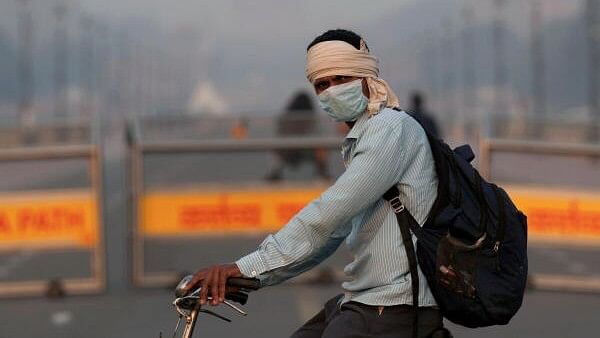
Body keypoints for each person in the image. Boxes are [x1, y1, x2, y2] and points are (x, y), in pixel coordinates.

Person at [183, 29, 448, 338]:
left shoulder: (389, 131)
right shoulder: (365, 135)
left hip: (396, 308)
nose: (332, 91)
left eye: (342, 79)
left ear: (366, 76)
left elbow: (328, 215)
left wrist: (245, 267)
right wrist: (251, 277)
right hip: (364, 302)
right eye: (322, 84)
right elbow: (331, 232)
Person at [265, 91, 330, 181]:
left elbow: (318, 139)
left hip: (303, 149)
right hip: (288, 149)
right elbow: (279, 141)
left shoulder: (310, 122)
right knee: (279, 148)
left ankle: (322, 175)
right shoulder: (286, 122)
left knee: (320, 148)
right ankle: (274, 175)